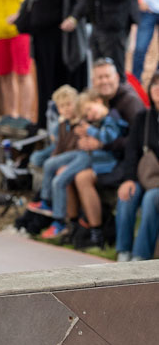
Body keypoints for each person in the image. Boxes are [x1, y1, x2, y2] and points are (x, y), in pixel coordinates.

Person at [19, 0, 89, 124]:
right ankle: (44, 123)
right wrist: (21, 16)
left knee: (63, 83)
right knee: (45, 83)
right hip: (42, 36)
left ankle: (66, 126)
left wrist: (74, 17)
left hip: (63, 38)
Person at [68, 56, 145, 241]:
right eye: (99, 78)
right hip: (110, 158)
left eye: (107, 76)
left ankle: (97, 232)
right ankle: (74, 226)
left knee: (82, 177)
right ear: (93, 82)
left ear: (117, 77)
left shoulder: (130, 102)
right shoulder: (101, 100)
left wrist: (103, 144)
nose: (104, 81)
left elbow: (140, 143)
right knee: (67, 172)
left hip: (131, 165)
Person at [37, 90, 125, 243]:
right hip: (88, 157)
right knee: (52, 165)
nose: (89, 116)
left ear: (98, 101)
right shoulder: (94, 120)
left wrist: (88, 131)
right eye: (86, 113)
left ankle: (70, 223)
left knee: (64, 178)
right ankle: (54, 208)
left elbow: (108, 137)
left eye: (89, 110)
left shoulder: (111, 118)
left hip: (102, 163)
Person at [115, 70, 159, 261]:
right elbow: (131, 151)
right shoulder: (143, 117)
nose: (158, 88)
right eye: (155, 83)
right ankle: (123, 252)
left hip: (156, 186)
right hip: (145, 176)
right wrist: (129, 179)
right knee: (127, 195)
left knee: (151, 199)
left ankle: (140, 257)